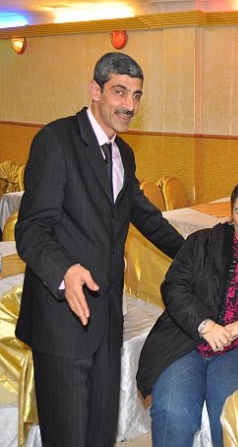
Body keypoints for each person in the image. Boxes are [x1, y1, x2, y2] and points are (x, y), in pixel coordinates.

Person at [15, 52, 185, 446]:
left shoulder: (124, 153)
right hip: (61, 322)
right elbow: (32, 229)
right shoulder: (56, 140)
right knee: (68, 437)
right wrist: (65, 269)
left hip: (107, 322)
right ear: (96, 90)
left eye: (136, 95)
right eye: (119, 92)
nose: (129, 105)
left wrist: (199, 251)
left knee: (100, 435)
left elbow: (147, 218)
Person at [136, 180, 238, 447]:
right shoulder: (202, 242)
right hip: (187, 340)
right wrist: (206, 326)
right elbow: (174, 287)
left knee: (228, 414)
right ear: (232, 216)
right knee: (172, 412)